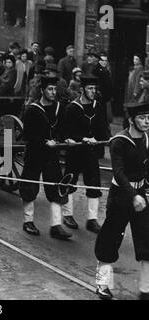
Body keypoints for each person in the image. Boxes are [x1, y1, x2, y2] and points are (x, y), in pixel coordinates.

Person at [94, 101, 149, 300]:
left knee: (147, 238)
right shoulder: (119, 141)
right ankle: (102, 285)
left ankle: (145, 289)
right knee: (110, 238)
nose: (147, 121)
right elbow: (118, 172)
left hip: (141, 194)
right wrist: (133, 195)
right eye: (142, 118)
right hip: (121, 196)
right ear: (131, 120)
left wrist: (144, 190)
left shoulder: (147, 139)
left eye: (148, 117)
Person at [19, 75, 71, 240]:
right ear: (42, 90)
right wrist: (43, 141)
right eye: (50, 89)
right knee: (30, 186)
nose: (53, 92)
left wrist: (65, 139)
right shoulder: (32, 109)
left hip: (51, 155)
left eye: (55, 89)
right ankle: (28, 221)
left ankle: (56, 226)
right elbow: (27, 134)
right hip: (34, 153)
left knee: (56, 186)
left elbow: (62, 129)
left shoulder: (58, 108)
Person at [62, 75, 108, 234]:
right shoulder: (72, 107)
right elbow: (67, 131)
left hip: (90, 151)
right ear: (82, 89)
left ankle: (92, 219)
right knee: (70, 180)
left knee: (94, 181)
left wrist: (100, 139)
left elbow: (103, 129)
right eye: (90, 88)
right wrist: (82, 138)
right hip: (75, 150)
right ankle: (67, 215)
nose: (93, 91)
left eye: (95, 89)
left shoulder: (97, 106)